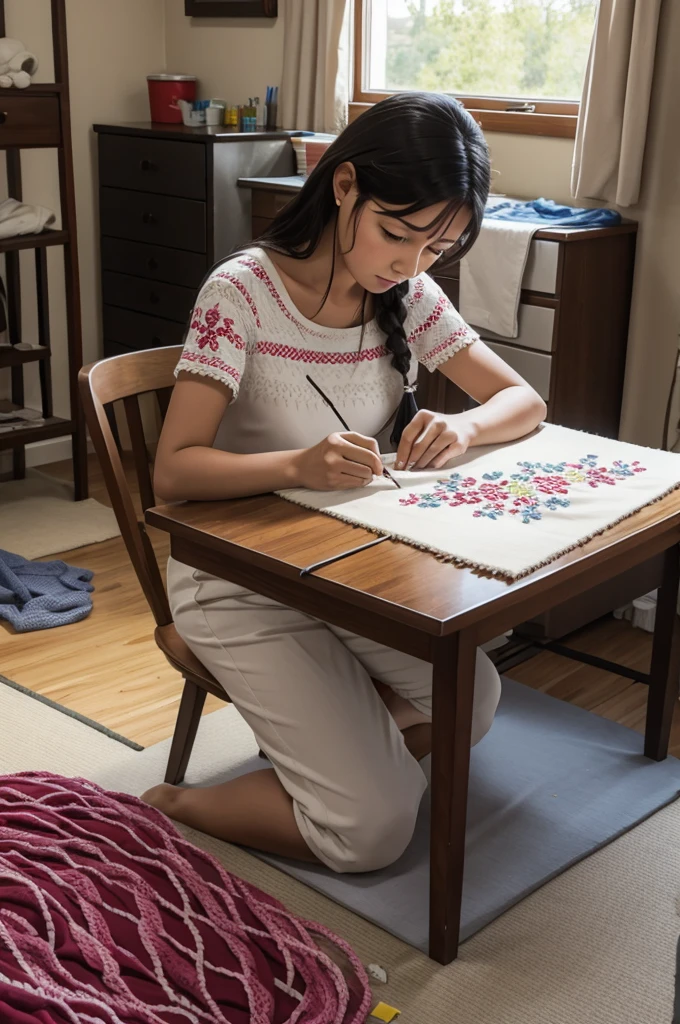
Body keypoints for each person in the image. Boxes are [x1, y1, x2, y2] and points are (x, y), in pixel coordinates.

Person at [143, 92, 547, 873]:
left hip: (357, 565)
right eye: (398, 234)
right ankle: (176, 804)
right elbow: (174, 470)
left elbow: (524, 400)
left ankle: (333, 763)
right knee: (372, 833)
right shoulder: (241, 294)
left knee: (478, 698)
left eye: (437, 249)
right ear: (343, 186)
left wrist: (463, 427)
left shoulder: (409, 295)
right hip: (238, 577)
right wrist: (297, 466)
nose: (411, 264)